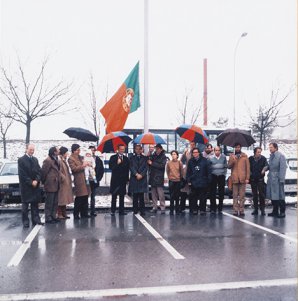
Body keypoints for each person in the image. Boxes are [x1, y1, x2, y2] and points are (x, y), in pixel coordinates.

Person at [18, 144, 44, 228]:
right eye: (30, 149)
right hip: (26, 186)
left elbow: (39, 171)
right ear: (26, 149)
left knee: (35, 205)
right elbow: (22, 174)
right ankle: (25, 222)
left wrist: (36, 180)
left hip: (35, 186)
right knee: (25, 207)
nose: (32, 151)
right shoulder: (21, 160)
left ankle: (36, 220)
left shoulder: (35, 159)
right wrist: (30, 182)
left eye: (33, 150)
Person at [187, 147, 212, 215]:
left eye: (196, 152)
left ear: (199, 153)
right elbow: (188, 172)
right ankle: (195, 209)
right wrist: (189, 180)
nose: (195, 154)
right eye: (194, 152)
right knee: (194, 197)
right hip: (194, 182)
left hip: (203, 182)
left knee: (203, 197)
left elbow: (208, 171)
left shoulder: (205, 160)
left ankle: (202, 210)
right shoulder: (190, 161)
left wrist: (209, 180)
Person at [68, 144, 90, 219]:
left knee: (85, 197)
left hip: (85, 179)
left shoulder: (80, 157)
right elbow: (74, 169)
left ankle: (84, 213)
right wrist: (83, 166)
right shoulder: (71, 158)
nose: (79, 151)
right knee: (79, 197)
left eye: (79, 150)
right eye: (77, 150)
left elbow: (87, 160)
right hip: (79, 179)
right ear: (74, 151)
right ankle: (76, 214)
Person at [228, 143, 250, 216]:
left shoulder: (244, 156)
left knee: (242, 196)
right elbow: (229, 166)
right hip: (234, 178)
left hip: (242, 178)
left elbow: (248, 168)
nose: (237, 148)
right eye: (236, 147)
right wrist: (232, 160)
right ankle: (235, 210)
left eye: (238, 147)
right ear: (234, 148)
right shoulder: (232, 156)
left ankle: (241, 210)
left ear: (240, 148)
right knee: (234, 196)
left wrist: (247, 178)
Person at [266, 142, 287, 218]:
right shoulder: (271, 156)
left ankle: (282, 212)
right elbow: (270, 166)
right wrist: (265, 168)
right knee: (273, 195)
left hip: (278, 179)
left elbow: (283, 169)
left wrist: (281, 179)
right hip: (271, 178)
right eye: (269, 147)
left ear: (275, 148)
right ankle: (275, 211)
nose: (270, 149)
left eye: (271, 147)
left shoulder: (281, 156)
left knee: (280, 195)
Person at [41, 146, 61, 224]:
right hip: (50, 184)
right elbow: (43, 172)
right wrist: (44, 182)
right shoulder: (48, 160)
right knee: (49, 202)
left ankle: (53, 216)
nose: (59, 151)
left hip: (56, 184)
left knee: (55, 202)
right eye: (57, 150)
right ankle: (48, 218)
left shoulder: (56, 159)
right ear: (54, 152)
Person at [109, 144, 130, 216]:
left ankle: (121, 211)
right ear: (118, 149)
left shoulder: (126, 158)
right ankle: (113, 211)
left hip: (123, 180)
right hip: (115, 180)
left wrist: (127, 179)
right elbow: (111, 167)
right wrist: (117, 164)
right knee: (114, 196)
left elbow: (127, 170)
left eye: (123, 149)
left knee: (122, 196)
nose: (122, 150)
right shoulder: (113, 157)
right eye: (121, 149)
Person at [128, 145, 148, 216]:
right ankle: (135, 210)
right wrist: (136, 174)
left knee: (141, 196)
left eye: (140, 149)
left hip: (142, 178)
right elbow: (131, 167)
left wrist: (141, 175)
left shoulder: (145, 158)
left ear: (142, 150)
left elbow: (146, 168)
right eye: (136, 149)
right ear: (134, 150)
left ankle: (142, 210)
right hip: (134, 178)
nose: (138, 150)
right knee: (135, 196)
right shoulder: (131, 158)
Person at [249, 147, 269, 216]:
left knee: (261, 195)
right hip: (253, 179)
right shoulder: (250, 158)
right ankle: (255, 209)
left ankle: (262, 209)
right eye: (258, 152)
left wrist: (264, 169)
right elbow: (248, 167)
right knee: (254, 195)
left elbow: (267, 165)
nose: (259, 153)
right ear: (255, 152)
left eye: (260, 152)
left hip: (260, 179)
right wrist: (250, 173)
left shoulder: (263, 158)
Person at [148, 144, 167, 214]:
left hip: (159, 177)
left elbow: (161, 166)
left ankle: (162, 207)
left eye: (158, 149)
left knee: (160, 193)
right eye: (156, 149)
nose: (157, 150)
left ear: (161, 149)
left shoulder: (163, 157)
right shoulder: (153, 156)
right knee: (153, 193)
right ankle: (154, 206)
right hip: (152, 176)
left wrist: (152, 163)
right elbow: (149, 163)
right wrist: (149, 156)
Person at [209, 146, 227, 214]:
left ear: (220, 151)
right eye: (216, 150)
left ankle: (220, 208)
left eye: (218, 150)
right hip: (213, 176)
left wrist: (224, 174)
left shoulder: (224, 157)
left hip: (221, 176)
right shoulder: (210, 158)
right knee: (212, 193)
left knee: (221, 193)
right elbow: (209, 168)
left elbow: (225, 166)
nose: (217, 152)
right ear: (214, 151)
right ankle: (213, 208)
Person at [57, 147, 73, 219]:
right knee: (61, 198)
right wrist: (63, 178)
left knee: (64, 198)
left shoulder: (63, 160)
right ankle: (59, 213)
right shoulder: (59, 160)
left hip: (65, 182)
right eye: (66, 153)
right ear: (63, 153)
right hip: (62, 182)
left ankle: (64, 213)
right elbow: (58, 171)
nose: (67, 154)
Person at [88, 145, 104, 217]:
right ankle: (84, 211)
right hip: (87, 180)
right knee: (85, 197)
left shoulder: (98, 159)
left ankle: (92, 211)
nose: (92, 151)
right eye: (91, 150)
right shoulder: (85, 159)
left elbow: (101, 170)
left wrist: (98, 179)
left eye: (93, 150)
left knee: (93, 197)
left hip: (94, 181)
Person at [180, 141, 196, 212]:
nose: (192, 145)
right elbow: (181, 160)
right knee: (183, 191)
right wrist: (184, 153)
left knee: (192, 193)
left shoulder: (197, 153)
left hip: (193, 175)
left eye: (193, 144)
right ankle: (182, 207)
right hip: (186, 174)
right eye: (191, 144)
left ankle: (192, 208)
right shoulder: (187, 153)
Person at [166, 150, 183, 215]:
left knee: (177, 196)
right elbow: (167, 171)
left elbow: (181, 172)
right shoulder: (169, 163)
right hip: (171, 181)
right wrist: (169, 177)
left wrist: (179, 178)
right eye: (172, 154)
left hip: (178, 181)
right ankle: (171, 210)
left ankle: (177, 209)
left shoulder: (180, 163)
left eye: (175, 154)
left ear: (177, 155)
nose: (173, 155)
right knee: (171, 196)